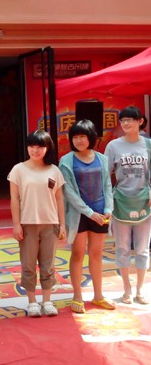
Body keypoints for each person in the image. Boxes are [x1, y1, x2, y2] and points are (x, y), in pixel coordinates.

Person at [59, 120, 115, 313]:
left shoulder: (102, 158)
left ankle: (98, 295)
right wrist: (90, 213)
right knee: (77, 254)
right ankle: (77, 296)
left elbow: (107, 185)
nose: (79, 140)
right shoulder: (66, 161)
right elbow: (69, 193)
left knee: (97, 254)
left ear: (91, 137)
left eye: (83, 136)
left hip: (101, 213)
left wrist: (108, 208)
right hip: (79, 215)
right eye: (75, 137)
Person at [8, 130, 66, 318]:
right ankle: (32, 302)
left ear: (47, 148)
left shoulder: (54, 170)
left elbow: (59, 199)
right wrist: (16, 224)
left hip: (50, 223)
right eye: (31, 146)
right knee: (28, 265)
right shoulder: (18, 170)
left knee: (48, 265)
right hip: (27, 223)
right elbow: (14, 199)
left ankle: (47, 301)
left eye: (40, 146)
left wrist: (62, 224)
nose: (35, 150)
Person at [104, 106, 151, 305]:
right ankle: (127, 289)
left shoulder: (148, 145)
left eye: (130, 119)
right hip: (120, 202)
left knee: (142, 249)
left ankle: (140, 289)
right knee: (122, 248)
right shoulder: (113, 146)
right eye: (123, 120)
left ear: (140, 122)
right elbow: (105, 176)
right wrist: (108, 203)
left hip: (145, 202)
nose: (126, 123)